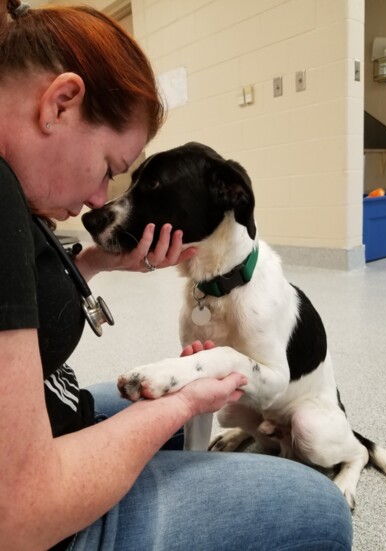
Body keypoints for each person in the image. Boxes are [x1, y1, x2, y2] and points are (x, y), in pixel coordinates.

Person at [0, 1, 353, 550]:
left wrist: (96, 262)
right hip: (51, 513)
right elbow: (19, 510)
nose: (100, 199)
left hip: (60, 416)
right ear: (60, 103)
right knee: (322, 512)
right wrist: (183, 401)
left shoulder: (20, 199)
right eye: (111, 170)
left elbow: (26, 320)